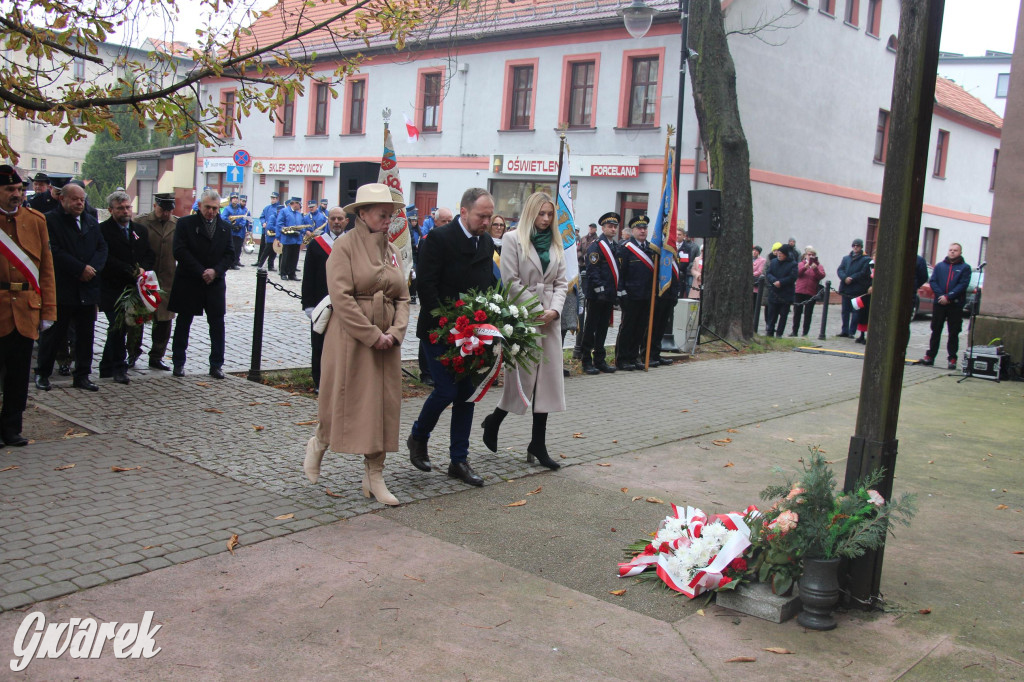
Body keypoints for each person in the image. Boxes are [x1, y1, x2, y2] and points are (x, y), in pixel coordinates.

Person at [304, 184, 410, 505]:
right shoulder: (345, 247)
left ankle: (374, 475)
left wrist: (395, 332)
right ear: (362, 214)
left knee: (384, 405)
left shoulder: (391, 251)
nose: (388, 220)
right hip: (351, 338)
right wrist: (371, 334)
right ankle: (320, 442)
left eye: (391, 215)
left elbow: (404, 296)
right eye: (382, 214)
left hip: (387, 341)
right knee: (342, 399)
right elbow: (341, 297)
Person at [407, 188, 497, 487]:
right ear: (464, 212)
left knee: (467, 396)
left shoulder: (484, 241)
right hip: (440, 330)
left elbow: (487, 283)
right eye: (481, 216)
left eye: (489, 216)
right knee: (446, 390)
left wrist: (493, 317)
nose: (486, 222)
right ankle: (418, 436)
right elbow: (426, 285)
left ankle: (458, 460)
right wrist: (446, 325)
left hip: (473, 333)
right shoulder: (439, 239)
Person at [479, 192, 567, 470]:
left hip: (550, 321)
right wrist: (535, 309)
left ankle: (537, 443)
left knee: (546, 384)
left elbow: (562, 282)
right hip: (524, 316)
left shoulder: (556, 241)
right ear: (531, 212)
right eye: (541, 214)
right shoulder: (512, 239)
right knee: (523, 379)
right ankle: (494, 420)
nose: (546, 219)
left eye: (550, 214)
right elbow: (510, 281)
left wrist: (554, 310)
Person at [0, 166, 57, 446]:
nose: (17, 195)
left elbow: (46, 269)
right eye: (10, 190)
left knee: (19, 374)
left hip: (25, 308)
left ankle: (12, 428)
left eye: (19, 190)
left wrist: (48, 310)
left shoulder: (35, 220)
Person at [36, 182, 107, 391]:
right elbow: (53, 251)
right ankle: (43, 373)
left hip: (88, 287)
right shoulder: (50, 220)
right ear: (63, 199)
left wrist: (92, 268)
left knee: (85, 335)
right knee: (55, 335)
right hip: (63, 286)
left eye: (82, 199)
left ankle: (82, 375)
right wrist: (79, 269)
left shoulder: (91, 221)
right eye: (75, 199)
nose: (79, 203)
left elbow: (102, 247)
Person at [168, 189, 235, 378]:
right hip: (189, 280)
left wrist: (215, 271)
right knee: (183, 322)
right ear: (200, 206)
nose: (211, 212)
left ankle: (216, 365)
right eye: (208, 207)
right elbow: (179, 251)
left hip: (214, 282)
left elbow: (230, 254)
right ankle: (178, 362)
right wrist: (200, 271)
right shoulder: (185, 223)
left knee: (217, 324)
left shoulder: (224, 227)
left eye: (215, 208)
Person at [97, 190, 155, 385]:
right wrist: (129, 269)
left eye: (128, 207)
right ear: (111, 210)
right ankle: (119, 368)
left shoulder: (139, 230)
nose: (125, 211)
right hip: (112, 287)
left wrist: (143, 268)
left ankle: (105, 366)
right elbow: (105, 257)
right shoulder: (103, 230)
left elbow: (148, 254)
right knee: (117, 326)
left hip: (134, 287)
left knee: (120, 328)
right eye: (120, 208)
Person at [301, 207, 348, 393]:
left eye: (340, 219)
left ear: (346, 221)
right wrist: (308, 305)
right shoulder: (316, 244)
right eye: (333, 218)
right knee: (319, 344)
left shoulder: (351, 243)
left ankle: (342, 382)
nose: (336, 222)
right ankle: (319, 382)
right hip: (321, 303)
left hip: (345, 303)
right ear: (328, 220)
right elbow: (308, 277)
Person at [133, 192, 178, 370]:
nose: (166, 213)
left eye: (169, 210)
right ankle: (133, 352)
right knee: (138, 319)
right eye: (162, 209)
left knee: (164, 320)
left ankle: (157, 356)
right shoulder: (141, 222)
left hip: (167, 278)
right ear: (155, 206)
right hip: (144, 278)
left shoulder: (176, 224)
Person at [580, 211, 622, 375]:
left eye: (615, 226)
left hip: (609, 295)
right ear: (603, 228)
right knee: (591, 327)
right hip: (597, 295)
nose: (613, 229)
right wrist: (601, 290)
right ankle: (586, 359)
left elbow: (618, 270)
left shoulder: (615, 246)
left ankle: (600, 359)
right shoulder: (596, 246)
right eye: (610, 226)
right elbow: (593, 270)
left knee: (604, 327)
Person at [921, 243, 972, 370]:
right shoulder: (939, 266)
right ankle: (930, 356)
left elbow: (963, 284)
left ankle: (952, 358)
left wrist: (949, 297)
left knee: (953, 332)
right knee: (936, 330)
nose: (952, 252)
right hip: (939, 303)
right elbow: (933, 281)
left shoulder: (965, 268)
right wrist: (941, 296)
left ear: (960, 252)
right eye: (950, 250)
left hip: (955, 304)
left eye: (955, 250)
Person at [616, 215, 655, 370]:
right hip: (630, 295)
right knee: (628, 327)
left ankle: (634, 357)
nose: (642, 231)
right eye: (639, 228)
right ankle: (622, 359)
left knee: (640, 327)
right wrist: (621, 292)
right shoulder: (625, 248)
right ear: (632, 230)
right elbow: (621, 272)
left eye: (645, 228)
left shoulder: (651, 249)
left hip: (646, 295)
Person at [648, 249, 681, 367]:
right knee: (654, 326)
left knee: (662, 327)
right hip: (659, 295)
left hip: (670, 296)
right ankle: (647, 355)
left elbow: (676, 275)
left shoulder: (673, 254)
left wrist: (675, 294)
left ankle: (656, 354)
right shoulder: (658, 253)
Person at [837, 238, 872, 337]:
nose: (855, 247)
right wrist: (844, 278)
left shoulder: (866, 259)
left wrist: (852, 278)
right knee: (845, 311)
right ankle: (844, 330)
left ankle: (852, 331)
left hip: (858, 289)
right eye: (854, 245)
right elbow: (840, 269)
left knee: (856, 312)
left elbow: (863, 272)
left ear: (861, 247)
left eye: (857, 246)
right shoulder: (846, 258)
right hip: (846, 288)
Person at [790, 246, 825, 337]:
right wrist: (805, 267)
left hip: (811, 292)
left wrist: (815, 269)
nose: (810, 256)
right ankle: (794, 331)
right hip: (799, 291)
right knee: (797, 312)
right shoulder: (800, 264)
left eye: (813, 255)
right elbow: (797, 274)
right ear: (805, 255)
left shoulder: (819, 266)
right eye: (809, 254)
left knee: (808, 314)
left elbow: (821, 276)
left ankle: (805, 332)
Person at [764, 243, 798, 337]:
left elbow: (792, 277)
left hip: (785, 293)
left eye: (781, 254)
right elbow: (768, 273)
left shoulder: (792, 264)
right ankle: (770, 331)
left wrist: (781, 282)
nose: (779, 255)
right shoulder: (774, 261)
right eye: (778, 253)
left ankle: (779, 333)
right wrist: (774, 281)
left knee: (783, 315)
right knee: (771, 314)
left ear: (786, 254)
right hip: (774, 292)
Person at [277, 196, 309, 280]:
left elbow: (302, 225)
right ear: (294, 203)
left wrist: (303, 231)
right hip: (288, 238)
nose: (300, 206)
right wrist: (287, 231)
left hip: (297, 239)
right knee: (286, 257)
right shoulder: (284, 211)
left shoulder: (299, 214)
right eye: (299, 204)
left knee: (295, 257)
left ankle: (292, 274)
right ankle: (283, 273)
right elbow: (280, 224)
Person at [255, 192, 282, 271]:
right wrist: (263, 223)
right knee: (265, 249)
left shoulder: (280, 208)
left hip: (275, 234)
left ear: (277, 199)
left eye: (274, 198)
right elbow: (262, 217)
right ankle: (260, 263)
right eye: (272, 198)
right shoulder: (267, 208)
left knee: (274, 251)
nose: (273, 200)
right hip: (267, 232)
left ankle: (271, 265)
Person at [221, 192, 247, 269]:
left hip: (239, 232)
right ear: (231, 200)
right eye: (234, 199)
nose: (235, 200)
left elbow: (243, 218)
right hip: (230, 231)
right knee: (230, 248)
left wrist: (240, 225)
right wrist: (231, 225)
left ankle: (234, 263)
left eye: (236, 199)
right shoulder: (227, 208)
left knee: (237, 248)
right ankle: (228, 263)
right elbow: (223, 218)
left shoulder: (240, 209)